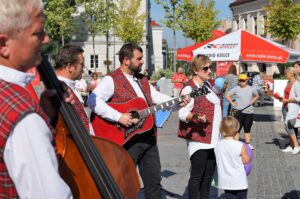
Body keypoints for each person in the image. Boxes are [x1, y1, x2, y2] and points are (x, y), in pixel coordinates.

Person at [87, 43, 189, 199]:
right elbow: (93, 101)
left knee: (154, 181)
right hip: (126, 140)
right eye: (139, 58)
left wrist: (176, 102)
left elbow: (156, 98)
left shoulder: (142, 79)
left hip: (148, 137)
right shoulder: (111, 79)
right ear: (126, 60)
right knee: (124, 183)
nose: (142, 61)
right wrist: (118, 116)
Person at [0, 0, 72, 197]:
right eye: (37, 33)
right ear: (4, 44)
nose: (47, 39)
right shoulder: (24, 120)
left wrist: (46, 116)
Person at [178, 55, 222, 199]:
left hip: (214, 139)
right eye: (206, 68)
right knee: (197, 175)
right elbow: (183, 113)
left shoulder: (206, 86)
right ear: (196, 70)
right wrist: (196, 117)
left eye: (211, 67)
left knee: (208, 176)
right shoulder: (189, 88)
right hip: (199, 139)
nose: (210, 71)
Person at [55, 45, 94, 135]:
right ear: (70, 67)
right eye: (81, 64)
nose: (83, 68)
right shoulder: (59, 89)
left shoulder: (70, 85)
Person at [214, 116, 250, 199]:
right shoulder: (240, 145)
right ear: (237, 130)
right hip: (239, 182)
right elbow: (246, 160)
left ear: (221, 130)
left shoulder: (218, 145)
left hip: (226, 181)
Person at [226, 74, 259, 150]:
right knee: (238, 129)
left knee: (247, 129)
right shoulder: (236, 88)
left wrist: (252, 102)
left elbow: (257, 96)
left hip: (249, 112)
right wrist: (232, 103)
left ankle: (248, 144)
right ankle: (236, 144)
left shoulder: (251, 89)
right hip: (239, 112)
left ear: (247, 80)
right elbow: (227, 95)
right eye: (240, 80)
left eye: (243, 81)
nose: (241, 82)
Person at [280, 67, 300, 154]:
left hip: (292, 108)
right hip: (285, 107)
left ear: (291, 74)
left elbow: (299, 98)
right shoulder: (288, 82)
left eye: (286, 73)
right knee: (287, 126)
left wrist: (287, 100)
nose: (285, 75)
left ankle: (296, 146)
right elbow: (287, 95)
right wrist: (281, 98)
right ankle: (292, 146)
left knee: (288, 126)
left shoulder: (296, 84)